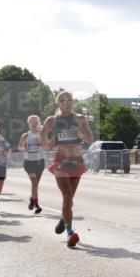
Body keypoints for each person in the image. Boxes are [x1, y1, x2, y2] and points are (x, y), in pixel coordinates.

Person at [42, 91, 93, 248]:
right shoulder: (52, 120)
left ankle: (64, 218)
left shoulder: (80, 119)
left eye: (69, 99)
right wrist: (49, 140)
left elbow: (90, 139)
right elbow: (44, 142)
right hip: (61, 161)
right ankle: (70, 233)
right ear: (57, 103)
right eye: (63, 100)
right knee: (67, 195)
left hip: (76, 161)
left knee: (69, 201)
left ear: (73, 102)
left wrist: (79, 133)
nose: (66, 102)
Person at [18, 115, 45, 213]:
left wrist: (41, 142)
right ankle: (37, 206)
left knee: (35, 185)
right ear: (28, 124)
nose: (34, 124)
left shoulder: (43, 134)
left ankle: (31, 198)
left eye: (36, 122)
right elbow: (19, 146)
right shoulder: (25, 135)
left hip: (40, 161)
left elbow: (47, 146)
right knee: (34, 183)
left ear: (39, 123)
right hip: (29, 162)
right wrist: (23, 149)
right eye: (32, 122)